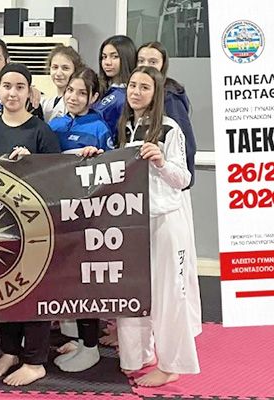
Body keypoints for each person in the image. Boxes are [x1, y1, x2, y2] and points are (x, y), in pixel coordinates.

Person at [114, 66, 199, 387]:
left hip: (164, 219)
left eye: (144, 87)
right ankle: (137, 356)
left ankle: (172, 364)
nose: (136, 92)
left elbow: (184, 178)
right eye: (132, 86)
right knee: (131, 292)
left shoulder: (169, 128)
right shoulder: (124, 127)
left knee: (168, 295)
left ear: (156, 93)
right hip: (132, 222)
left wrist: (162, 161)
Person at [0, 63, 61, 386]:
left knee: (36, 290)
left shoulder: (41, 131)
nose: (12, 93)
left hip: (35, 225)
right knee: (5, 290)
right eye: (6, 86)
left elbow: (57, 176)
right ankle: (10, 350)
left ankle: (35, 360)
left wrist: (32, 164)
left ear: (30, 92)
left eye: (19, 87)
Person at [49, 67, 112, 373]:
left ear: (94, 97)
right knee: (64, 279)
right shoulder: (55, 124)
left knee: (86, 280)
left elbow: (113, 169)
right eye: (70, 91)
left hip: (88, 217)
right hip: (58, 213)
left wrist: (96, 157)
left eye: (82, 92)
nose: (73, 97)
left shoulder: (99, 127)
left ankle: (90, 345)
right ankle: (74, 338)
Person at [137, 41, 201, 337]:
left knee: (173, 276)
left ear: (163, 65)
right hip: (142, 203)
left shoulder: (169, 100)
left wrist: (178, 180)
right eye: (141, 59)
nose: (146, 64)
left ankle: (180, 335)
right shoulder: (132, 115)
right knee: (146, 276)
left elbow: (185, 150)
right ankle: (147, 335)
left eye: (153, 61)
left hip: (169, 196)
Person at [92, 35, 137, 141]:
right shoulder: (99, 88)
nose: (107, 62)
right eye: (104, 57)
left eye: (114, 57)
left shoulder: (130, 94)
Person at [41, 44, 84, 122]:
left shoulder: (76, 103)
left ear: (76, 70)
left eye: (65, 68)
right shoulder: (47, 103)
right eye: (55, 67)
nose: (58, 73)